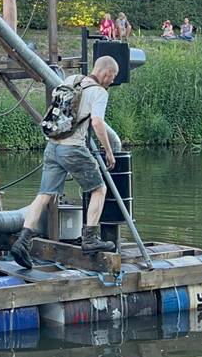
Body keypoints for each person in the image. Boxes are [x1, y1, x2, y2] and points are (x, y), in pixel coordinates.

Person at [13, 55, 122, 266]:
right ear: (106, 72)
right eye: (113, 76)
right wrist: (108, 151)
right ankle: (90, 239)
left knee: (44, 195)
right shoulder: (99, 92)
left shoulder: (71, 80)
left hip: (53, 146)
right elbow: (97, 123)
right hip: (73, 148)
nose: (112, 81)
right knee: (99, 190)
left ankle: (22, 241)